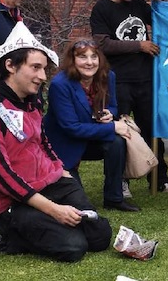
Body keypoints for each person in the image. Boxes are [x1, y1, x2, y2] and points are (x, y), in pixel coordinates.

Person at [0, 21, 112, 262]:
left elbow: (43, 141)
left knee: (100, 236)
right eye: (35, 68)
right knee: (74, 247)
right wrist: (54, 210)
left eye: (44, 69)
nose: (43, 76)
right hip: (11, 198)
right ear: (10, 65)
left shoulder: (30, 101)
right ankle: (5, 234)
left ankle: (46, 223)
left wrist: (61, 171)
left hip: (51, 181)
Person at [90, 0, 168, 195]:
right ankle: (122, 180)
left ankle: (159, 178)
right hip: (117, 80)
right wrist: (139, 45)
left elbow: (161, 20)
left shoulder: (140, 5)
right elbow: (102, 43)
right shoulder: (102, 9)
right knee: (122, 130)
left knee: (152, 128)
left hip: (146, 79)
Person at [44, 38, 140, 212]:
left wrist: (110, 114)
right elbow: (70, 127)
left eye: (94, 56)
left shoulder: (108, 76)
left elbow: (113, 105)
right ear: (73, 60)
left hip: (91, 137)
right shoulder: (60, 84)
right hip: (65, 145)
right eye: (82, 57)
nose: (89, 62)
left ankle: (114, 197)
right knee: (79, 205)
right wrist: (112, 127)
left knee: (117, 142)